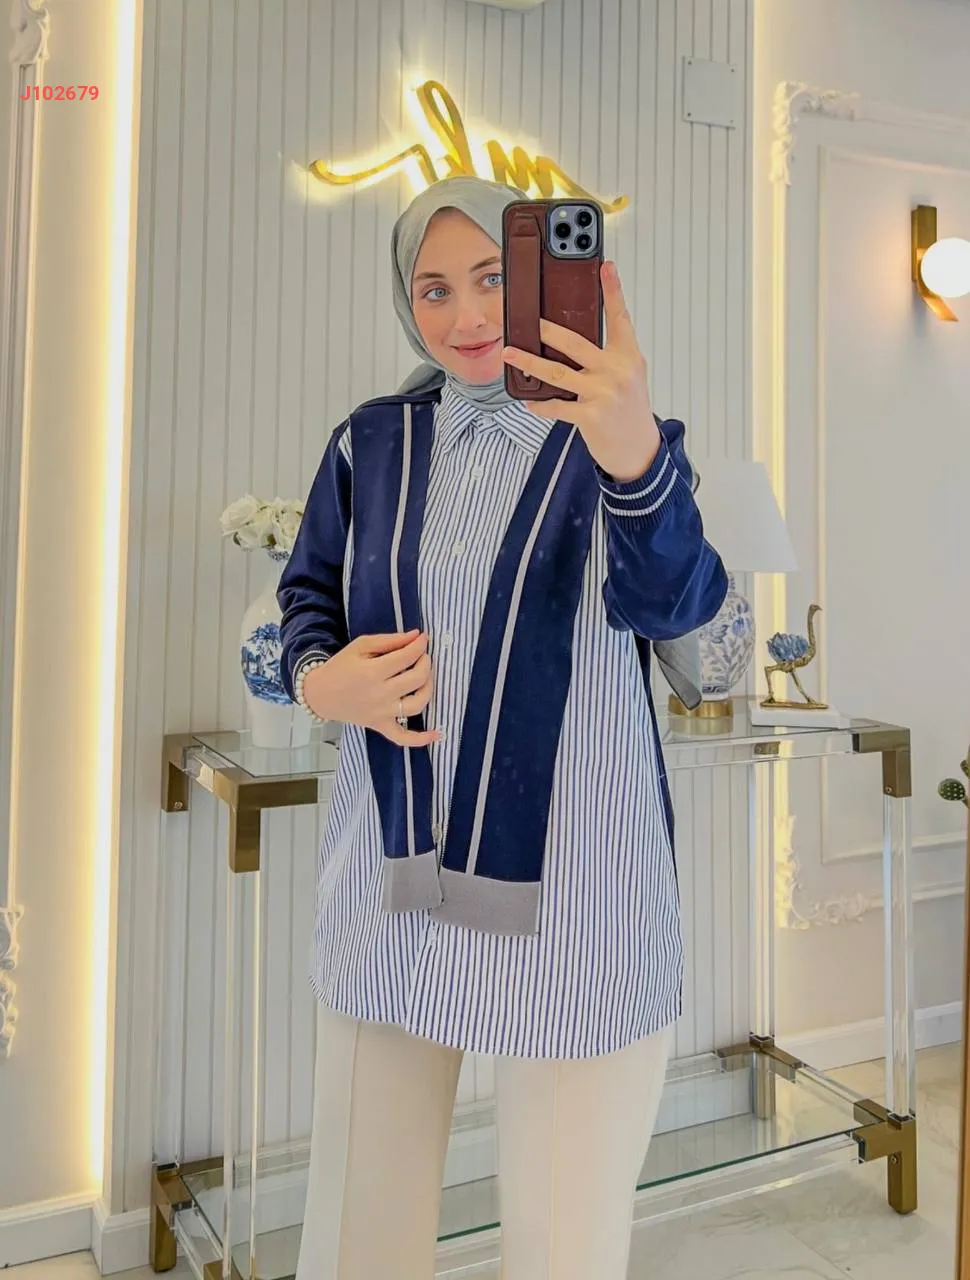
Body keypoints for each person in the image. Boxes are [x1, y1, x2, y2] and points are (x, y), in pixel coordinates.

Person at [277, 175, 727, 1280]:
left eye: (492, 276)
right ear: (406, 302)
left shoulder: (617, 437)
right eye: (433, 288)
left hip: (580, 894)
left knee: (563, 1252)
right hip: (395, 882)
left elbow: (694, 630)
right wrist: (323, 684)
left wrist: (636, 458)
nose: (467, 315)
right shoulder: (372, 442)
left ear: (540, 277)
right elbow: (307, 602)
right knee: (356, 1242)